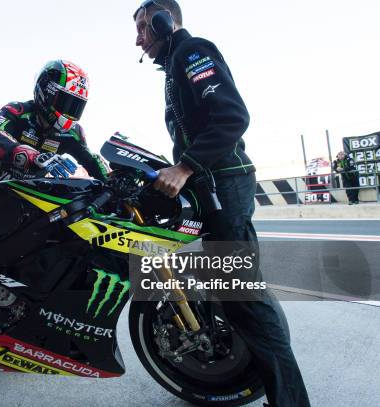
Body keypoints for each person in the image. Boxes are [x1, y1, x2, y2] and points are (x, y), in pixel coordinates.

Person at [133, 1, 310, 406]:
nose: (139, 39)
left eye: (144, 27)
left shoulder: (193, 52)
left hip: (225, 187)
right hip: (215, 188)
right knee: (233, 295)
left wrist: (186, 166)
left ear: (165, 21)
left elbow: (231, 117)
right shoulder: (178, 62)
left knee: (245, 300)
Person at [0, 60, 108, 213]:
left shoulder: (73, 133)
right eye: (66, 102)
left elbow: (91, 162)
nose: (70, 111)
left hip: (32, 203)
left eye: (76, 106)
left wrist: (114, 183)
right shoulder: (19, 111)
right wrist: (31, 155)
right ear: (46, 92)